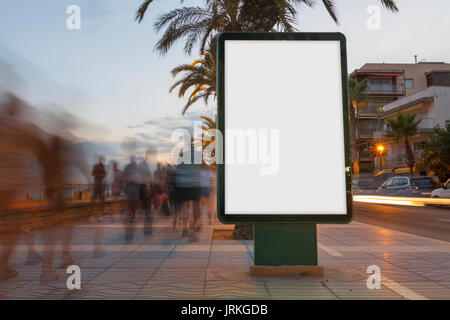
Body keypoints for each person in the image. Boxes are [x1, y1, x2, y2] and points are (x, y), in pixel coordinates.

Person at [139, 153, 152, 236]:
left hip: (142, 189)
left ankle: (146, 229)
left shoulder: (141, 166)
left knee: (146, 210)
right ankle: (147, 229)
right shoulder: (145, 166)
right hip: (145, 189)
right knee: (147, 210)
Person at [124, 156, 139, 222]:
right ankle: (132, 215)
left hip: (133, 188)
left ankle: (132, 215)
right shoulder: (130, 167)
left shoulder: (134, 168)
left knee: (132, 203)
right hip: (131, 188)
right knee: (131, 202)